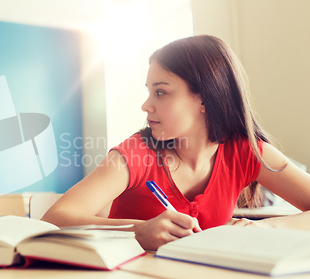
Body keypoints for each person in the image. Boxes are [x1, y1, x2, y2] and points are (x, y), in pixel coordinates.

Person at [42, 35, 310, 250]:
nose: (146, 105)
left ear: (205, 98)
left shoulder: (246, 152)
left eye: (161, 92)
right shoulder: (135, 154)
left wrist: (265, 227)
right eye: (149, 92)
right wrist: (138, 231)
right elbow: (54, 219)